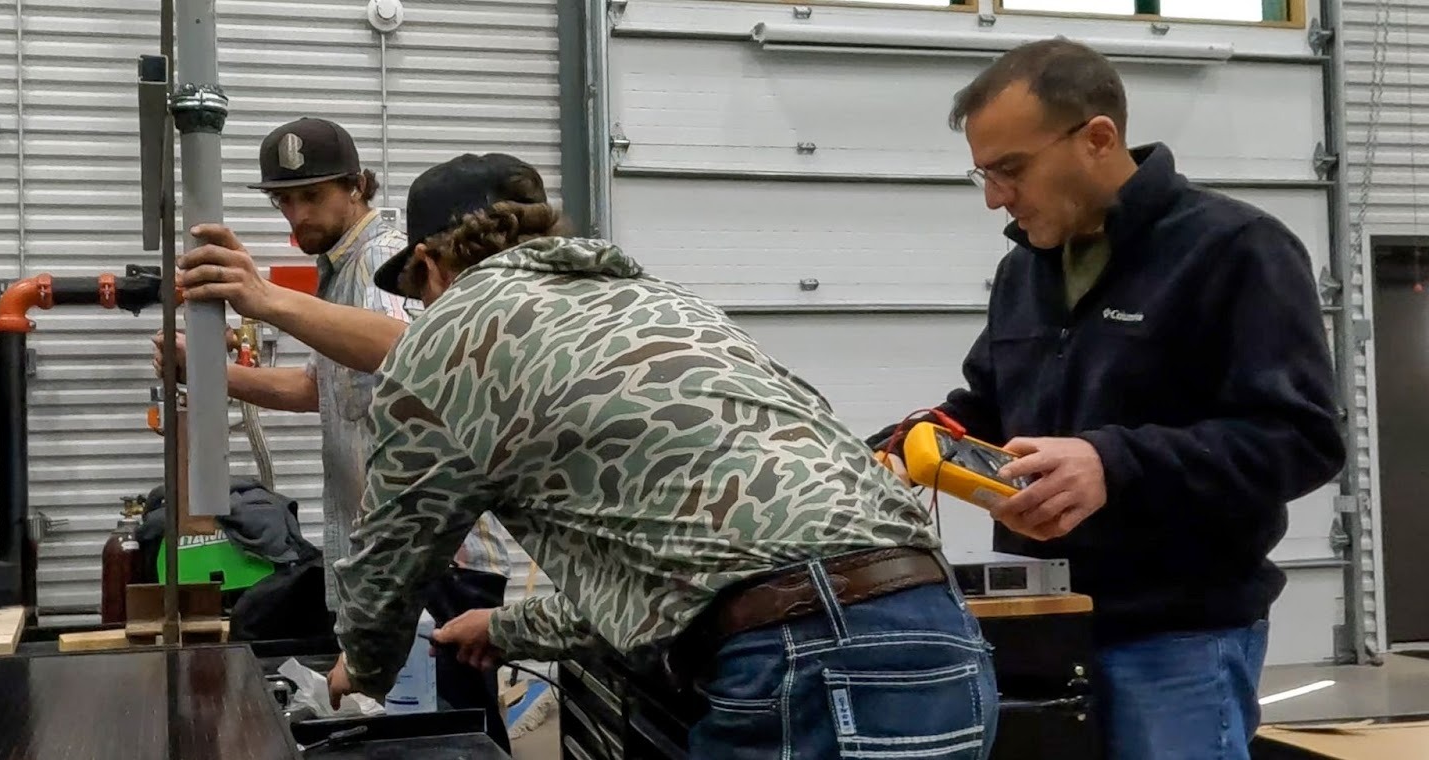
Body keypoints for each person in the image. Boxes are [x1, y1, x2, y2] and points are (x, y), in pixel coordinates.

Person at [182, 151, 1001, 759]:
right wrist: (510, 624)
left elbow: (390, 556)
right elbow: (692, 570)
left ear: (430, 264)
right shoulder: (659, 304)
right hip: (939, 635)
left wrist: (356, 669)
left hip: (804, 660)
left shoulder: (449, 338)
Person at [869, 38, 1346, 760]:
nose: (996, 196)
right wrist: (897, 447)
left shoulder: (1236, 249)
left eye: (1011, 169)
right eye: (984, 175)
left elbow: (1300, 438)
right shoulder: (1024, 272)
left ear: (1098, 138)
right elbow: (987, 404)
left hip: (1179, 642)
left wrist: (1111, 464)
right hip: (1041, 632)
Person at [151, 117, 513, 751]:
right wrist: (208, 370)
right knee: (419, 733)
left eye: (312, 195)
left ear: (357, 187)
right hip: (388, 553)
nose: (297, 213)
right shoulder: (336, 268)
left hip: (437, 556)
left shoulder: (382, 257)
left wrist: (265, 299)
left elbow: (414, 348)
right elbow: (320, 390)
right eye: (284, 199)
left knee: (454, 737)